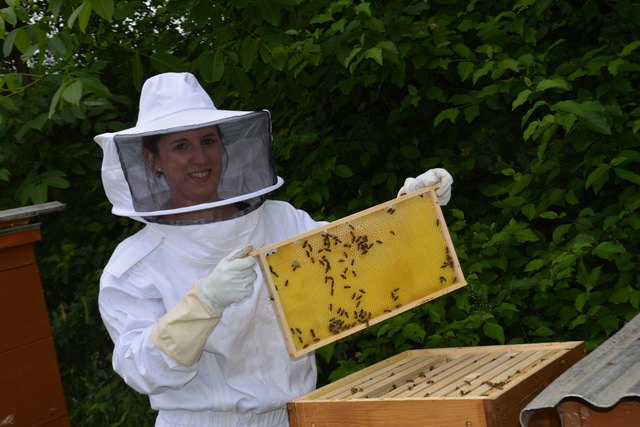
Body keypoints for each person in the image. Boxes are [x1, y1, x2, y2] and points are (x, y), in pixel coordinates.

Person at [95, 72, 453, 427]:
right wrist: (203, 304)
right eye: (181, 146)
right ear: (153, 159)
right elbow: (141, 371)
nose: (200, 158)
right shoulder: (135, 265)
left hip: (295, 415)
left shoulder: (282, 222)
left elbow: (356, 266)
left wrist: (412, 210)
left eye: (208, 141)